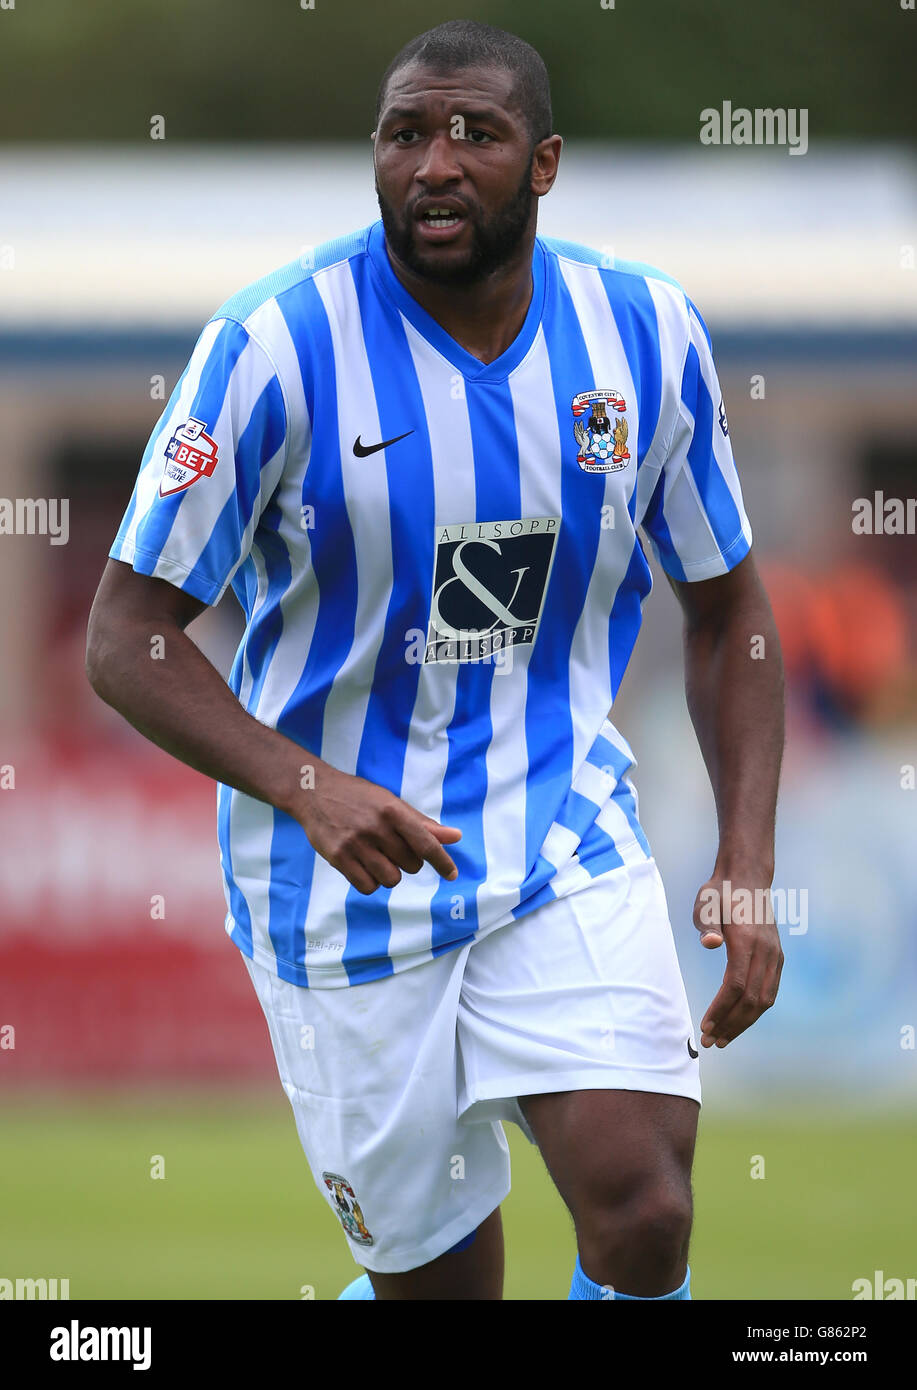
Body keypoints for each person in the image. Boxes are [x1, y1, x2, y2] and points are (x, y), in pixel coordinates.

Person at [85, 20, 785, 1301]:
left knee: (642, 1209)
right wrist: (307, 785)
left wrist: (745, 859)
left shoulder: (641, 333)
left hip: (556, 828)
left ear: (545, 162)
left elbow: (727, 604)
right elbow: (123, 636)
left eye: (475, 134)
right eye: (406, 133)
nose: (436, 164)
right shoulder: (273, 348)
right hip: (336, 881)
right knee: (443, 1290)